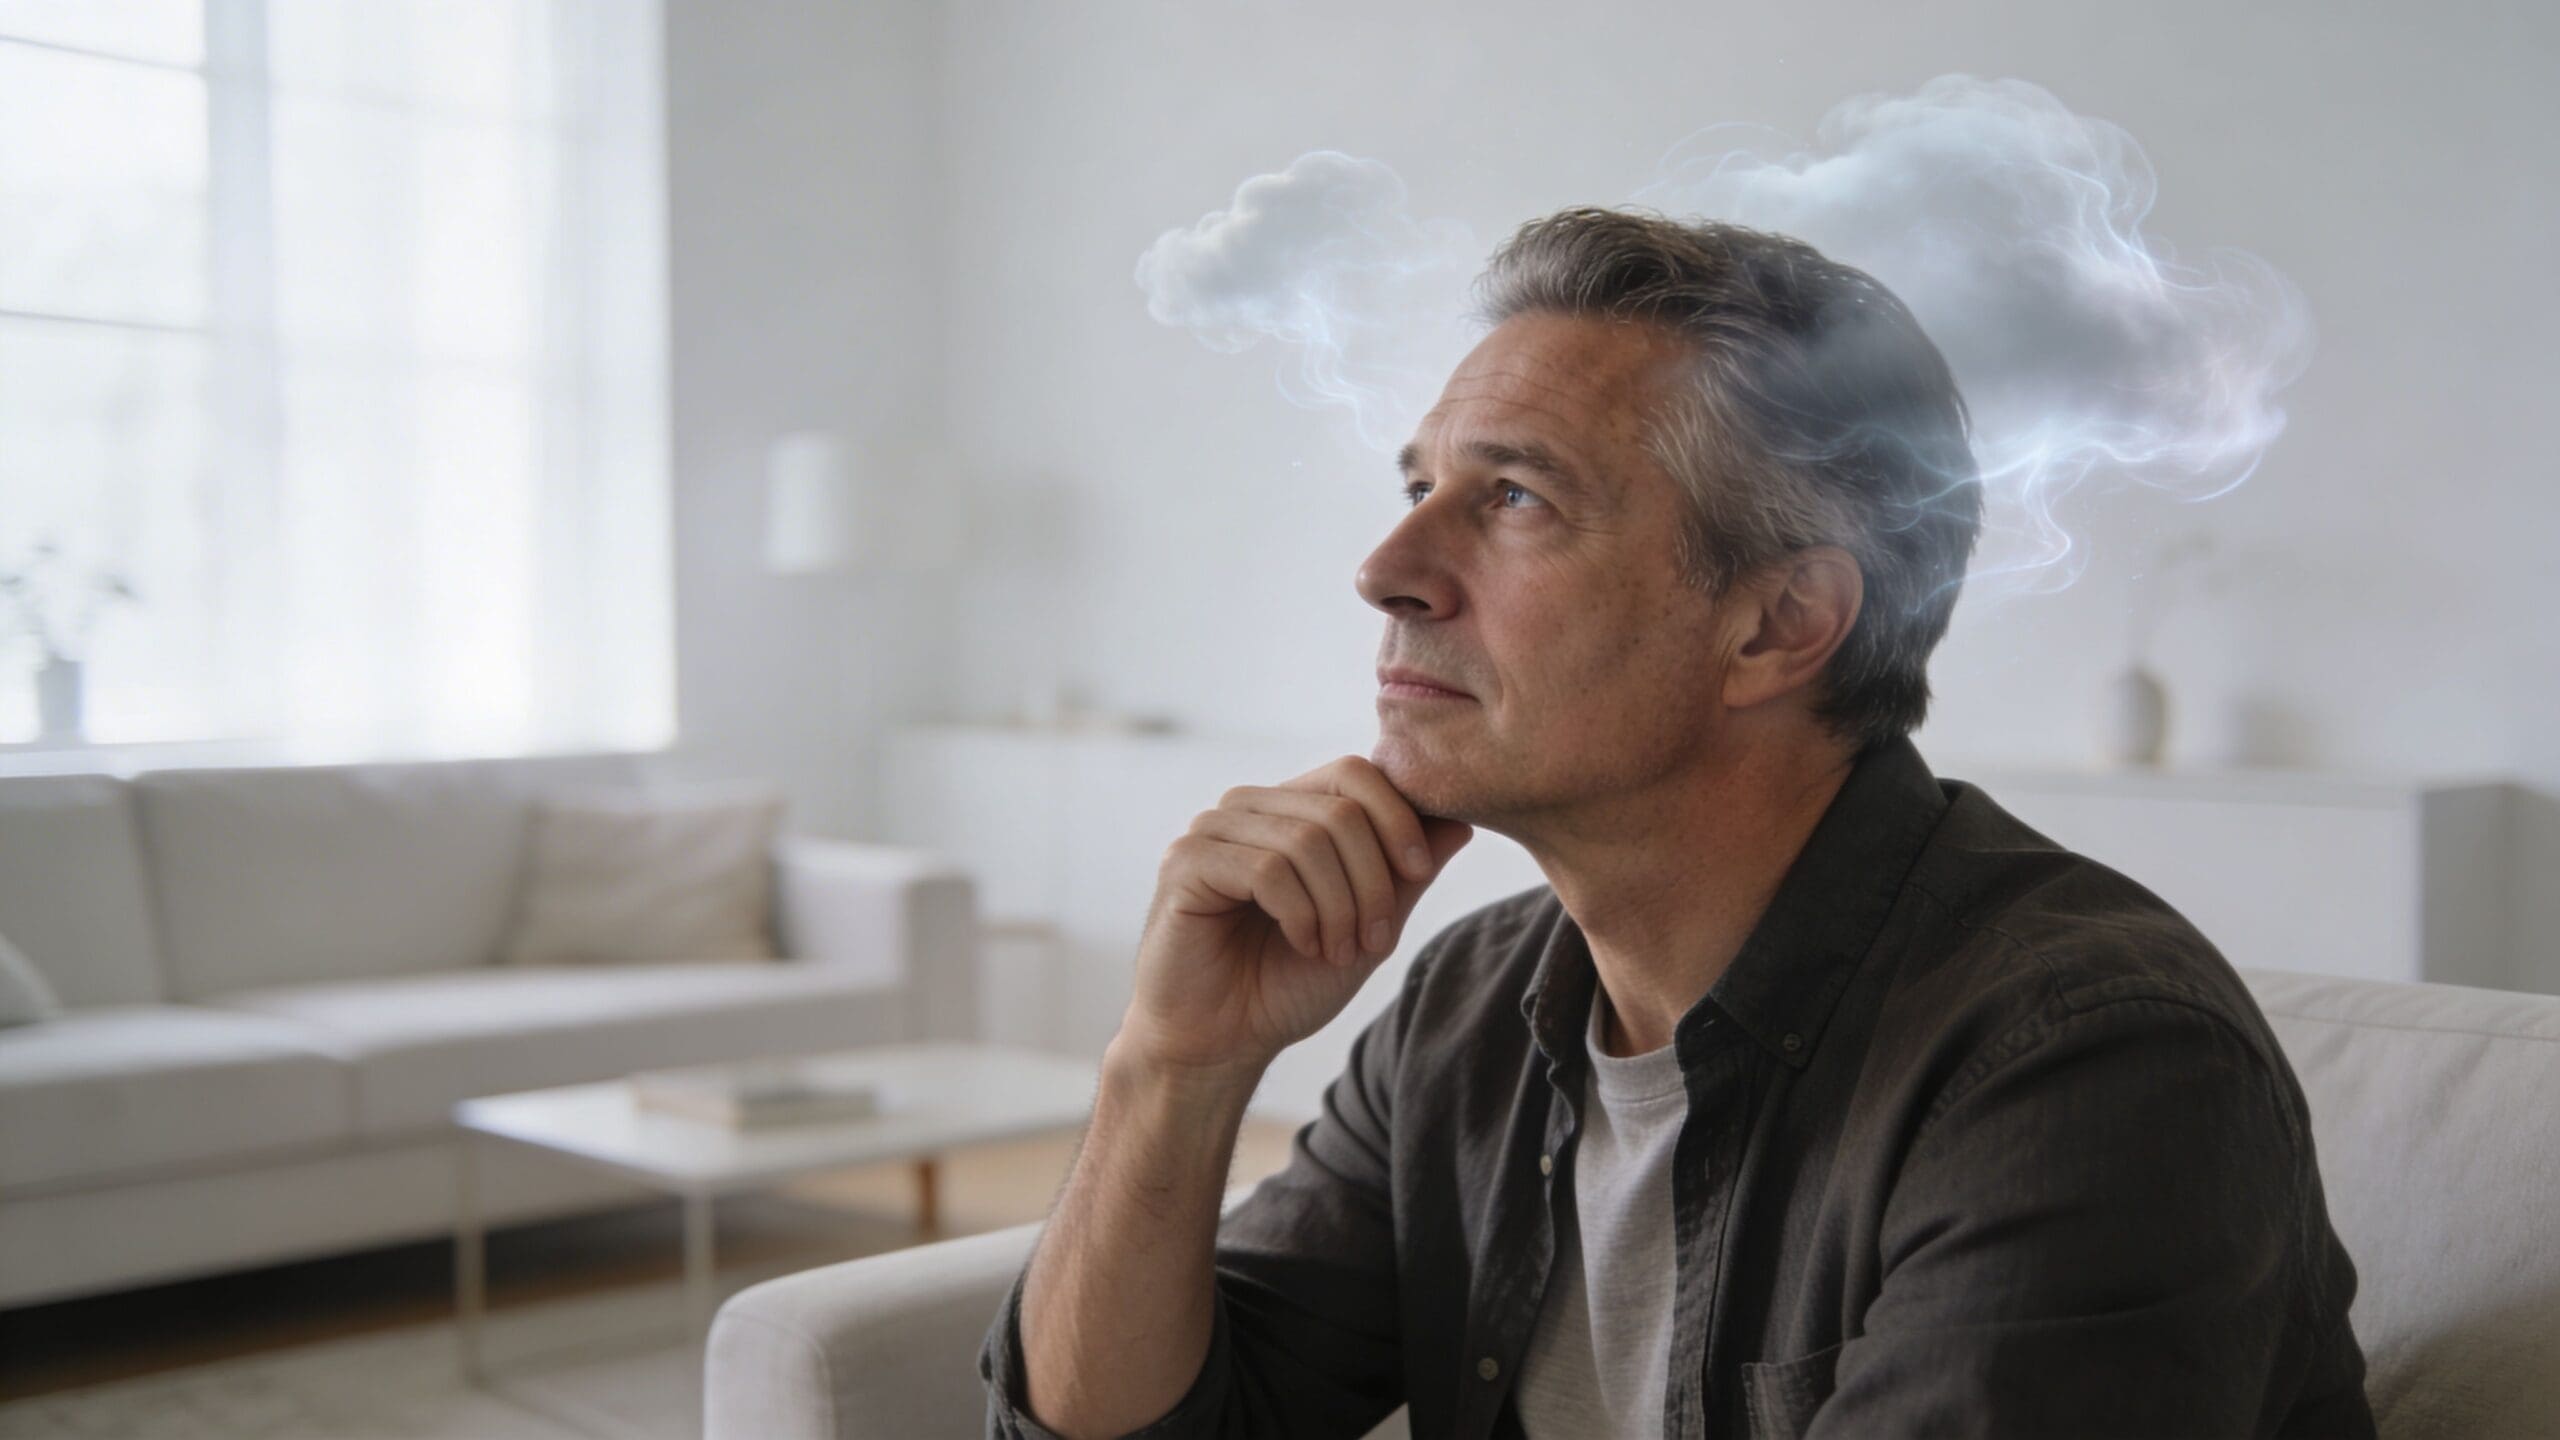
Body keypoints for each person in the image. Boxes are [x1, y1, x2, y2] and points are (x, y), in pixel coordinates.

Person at [977, 207, 2375, 1439]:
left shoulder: (2088, 1066)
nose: (1387, 569)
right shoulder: (1471, 1008)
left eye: (1515, 497)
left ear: (1778, 625)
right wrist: (1171, 1069)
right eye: (1417, 489)